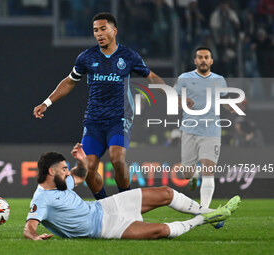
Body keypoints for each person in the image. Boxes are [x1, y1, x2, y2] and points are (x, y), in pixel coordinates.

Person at [33, 12, 165, 200]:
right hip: (94, 121)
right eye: (95, 30)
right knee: (88, 168)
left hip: (119, 118)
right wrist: (47, 102)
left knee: (117, 160)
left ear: (114, 30)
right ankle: (105, 207)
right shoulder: (87, 57)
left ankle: (126, 204)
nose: (99, 33)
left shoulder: (128, 56)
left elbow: (151, 77)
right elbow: (70, 81)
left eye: (103, 29)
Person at [23, 143, 240, 240]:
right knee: (162, 231)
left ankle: (210, 213)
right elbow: (29, 228)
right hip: (105, 227)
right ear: (51, 172)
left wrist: (81, 161)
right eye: (63, 169)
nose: (67, 173)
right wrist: (34, 238)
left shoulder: (62, 182)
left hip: (106, 206)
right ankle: (205, 218)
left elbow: (80, 175)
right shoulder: (42, 199)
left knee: (166, 192)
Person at [174, 47, 237, 228]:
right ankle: (193, 177)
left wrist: (230, 107)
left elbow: (223, 101)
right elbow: (173, 98)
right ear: (195, 61)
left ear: (211, 61)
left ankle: (205, 214)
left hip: (211, 133)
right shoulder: (185, 78)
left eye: (206, 57)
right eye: (200, 57)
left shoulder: (219, 80)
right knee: (187, 173)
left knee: (208, 170)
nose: (203, 60)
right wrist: (181, 102)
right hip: (189, 131)